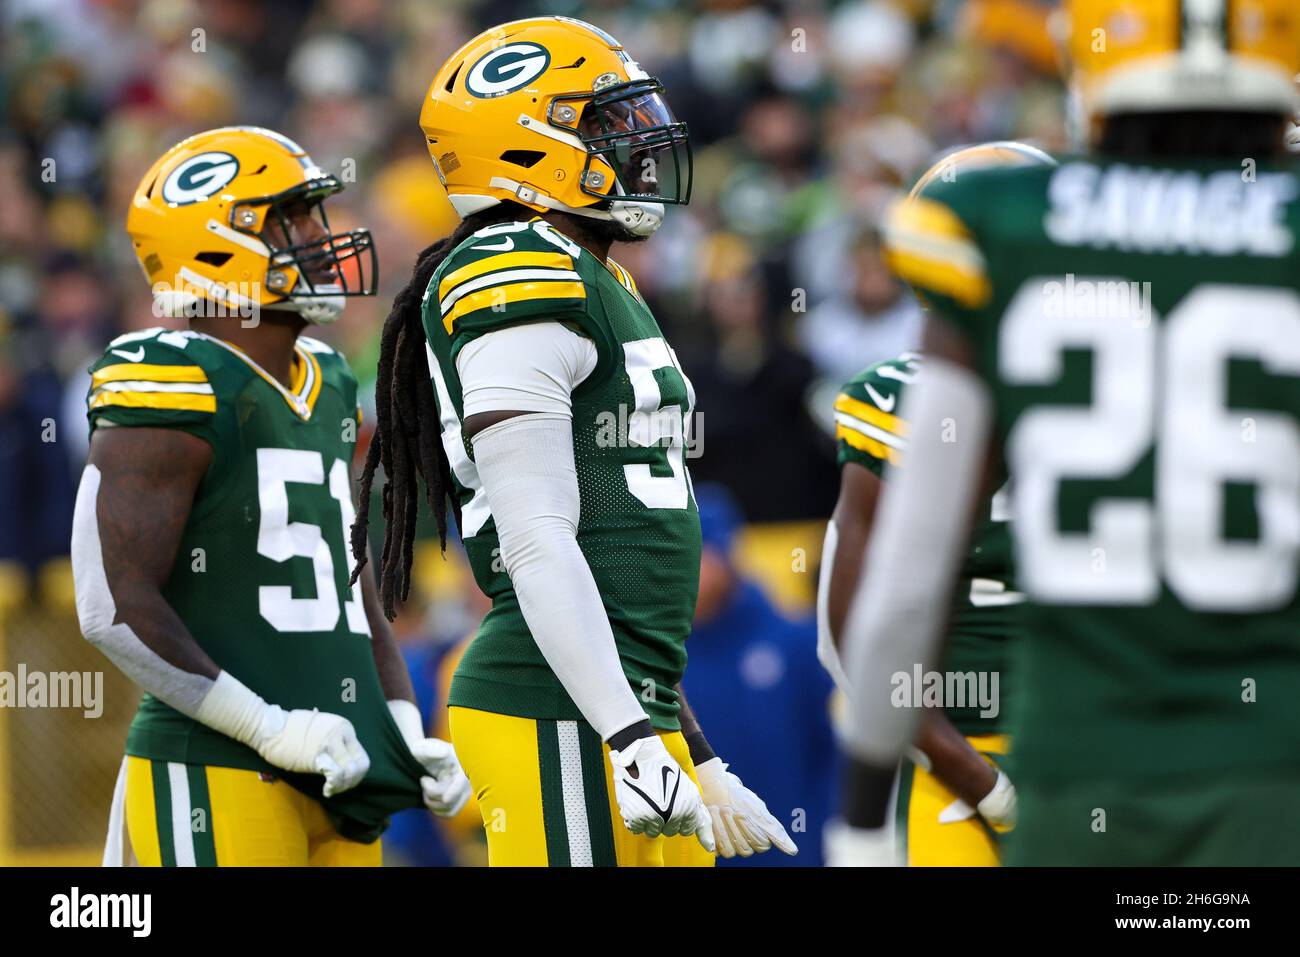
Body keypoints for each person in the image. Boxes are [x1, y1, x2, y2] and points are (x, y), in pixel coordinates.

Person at [831, 0, 1300, 866]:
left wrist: (861, 808)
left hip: (1078, 772)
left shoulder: (1006, 224)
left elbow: (906, 578)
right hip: (1268, 767)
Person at [353, 17, 793, 866]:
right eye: (604, 122)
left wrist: (689, 747)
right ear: (526, 147)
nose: (637, 142)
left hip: (615, 705)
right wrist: (631, 735)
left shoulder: (600, 277)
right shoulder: (517, 267)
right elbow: (536, 536)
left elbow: (619, 584)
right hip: (549, 703)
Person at [70, 126, 469, 867]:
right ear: (217, 246)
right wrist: (265, 725)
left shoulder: (329, 378)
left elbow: (349, 587)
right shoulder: (172, 380)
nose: (322, 237)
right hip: (217, 763)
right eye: (294, 220)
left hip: (343, 763)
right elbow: (110, 602)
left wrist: (404, 724)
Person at [683, 484, 831, 865]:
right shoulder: (655, 658)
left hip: (794, 852)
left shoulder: (795, 642)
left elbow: (832, 753)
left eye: (698, 555)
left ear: (726, 556)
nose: (685, 571)